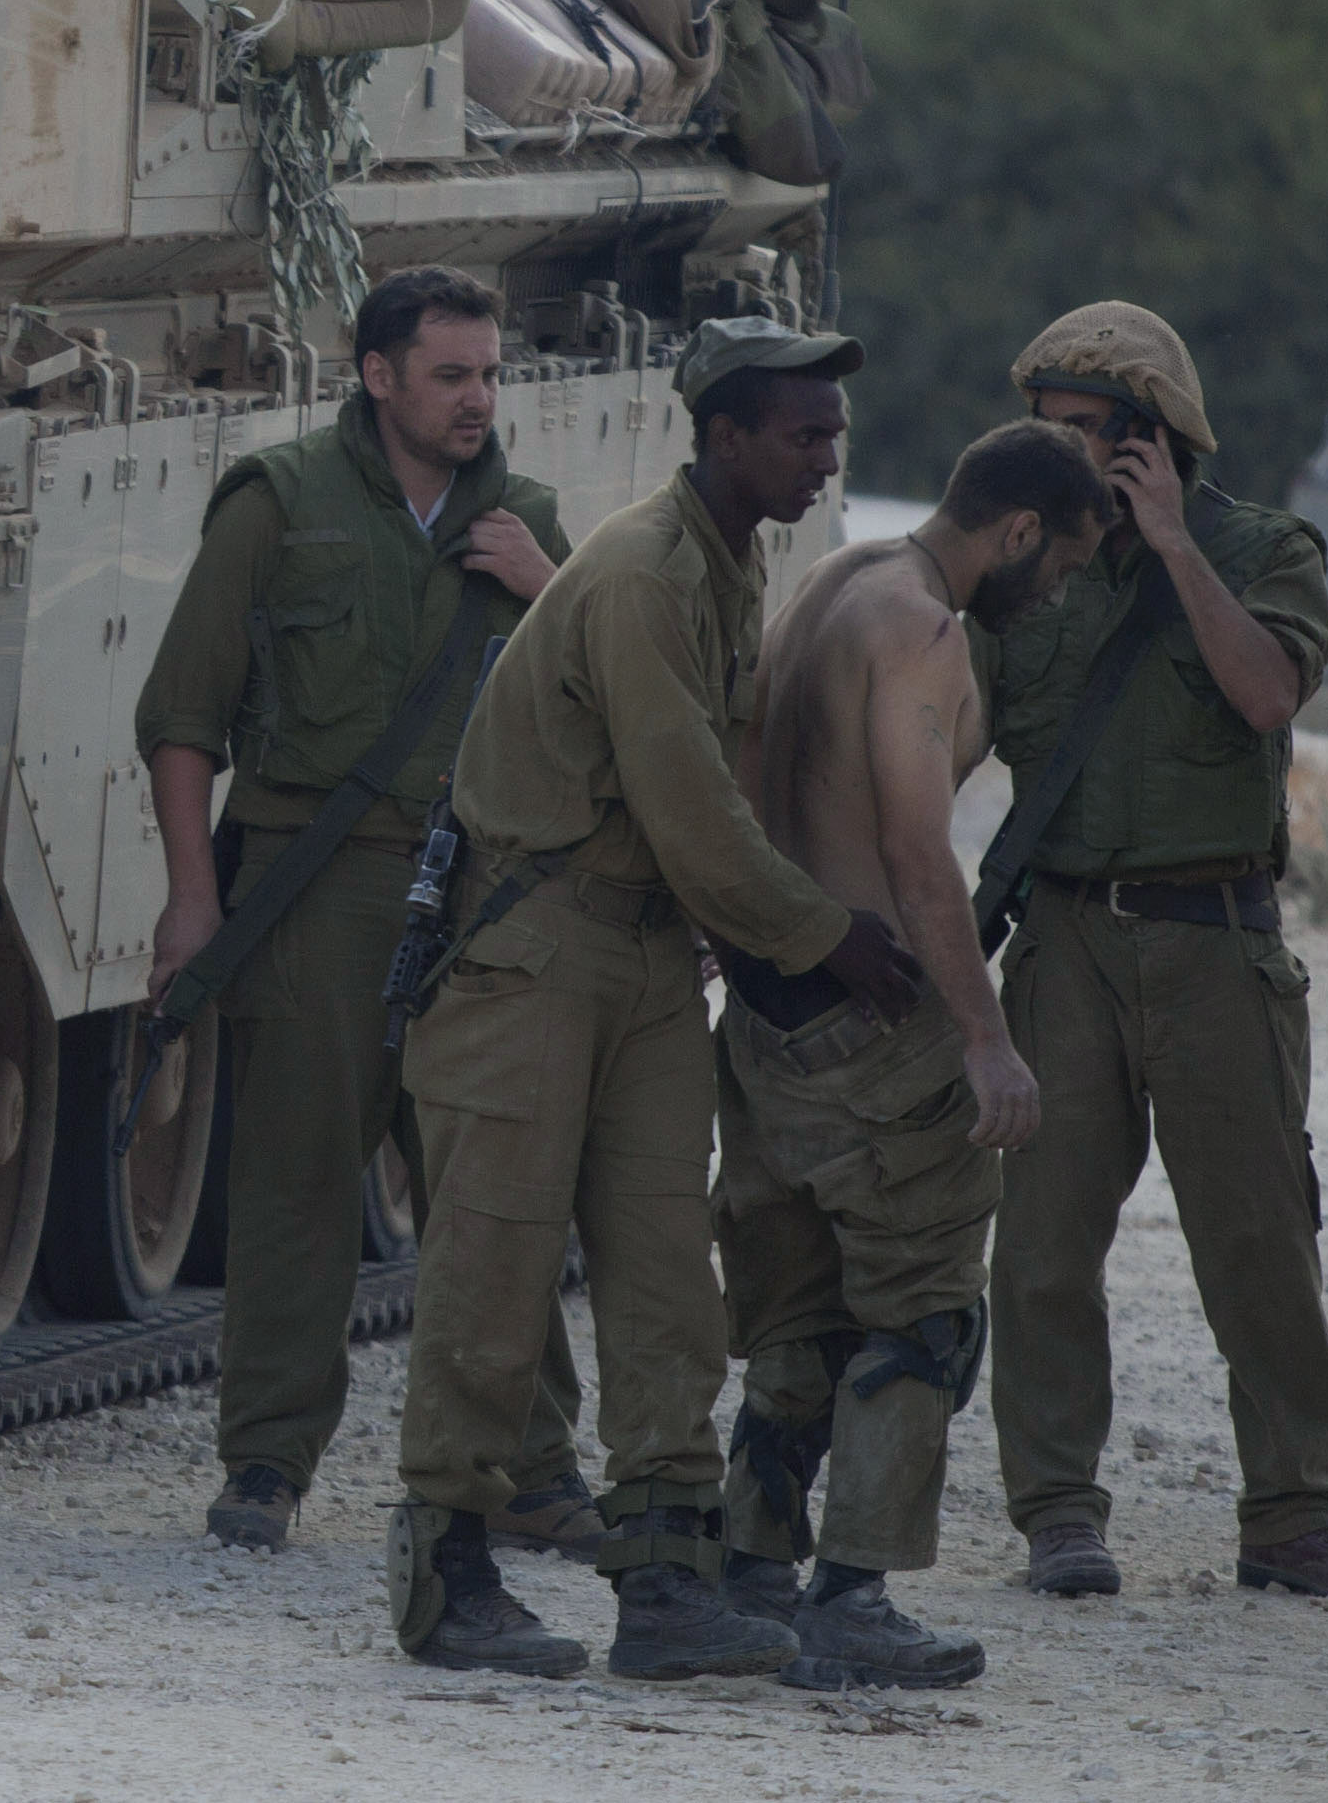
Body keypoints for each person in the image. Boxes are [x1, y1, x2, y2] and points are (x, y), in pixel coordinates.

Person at [385, 317, 929, 1683]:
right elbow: (688, 808)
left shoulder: (719, 561)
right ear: (728, 434)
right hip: (536, 955)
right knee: (492, 1268)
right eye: (802, 433)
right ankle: (442, 1571)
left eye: (831, 435)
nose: (826, 458)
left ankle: (666, 1579)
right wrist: (826, 940)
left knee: (660, 1278)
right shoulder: (638, 574)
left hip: (630, 957)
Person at [134, 265, 594, 1559]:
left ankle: (531, 1466)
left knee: (492, 1190)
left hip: (478, 888)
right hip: (313, 889)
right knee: (294, 1184)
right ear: (376, 376)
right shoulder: (275, 506)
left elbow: (614, 711)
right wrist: (187, 901)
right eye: (447, 375)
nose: (475, 399)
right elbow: (180, 719)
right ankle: (266, 1466)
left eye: (489, 374)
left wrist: (547, 583)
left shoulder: (527, 519)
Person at [982, 303, 1328, 1600]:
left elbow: (1269, 695)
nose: (1050, 453)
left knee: (1255, 1242)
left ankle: (1289, 1516)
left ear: (1148, 439)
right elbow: (943, 721)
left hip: (1211, 940)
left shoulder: (1259, 552)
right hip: (1062, 940)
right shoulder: (1020, 572)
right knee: (1041, 1242)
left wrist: (1165, 541)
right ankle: (1056, 1508)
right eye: (1037, 429)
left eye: (1078, 433)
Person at [713, 420, 1109, 1688]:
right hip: (874, 1020)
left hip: (770, 1009)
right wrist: (985, 1040)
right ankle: (854, 1592)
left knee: (797, 1307)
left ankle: (752, 1566)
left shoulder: (836, 577)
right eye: (1052, 568)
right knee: (925, 1305)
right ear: (1017, 531)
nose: (1049, 592)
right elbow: (915, 852)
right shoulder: (924, 632)